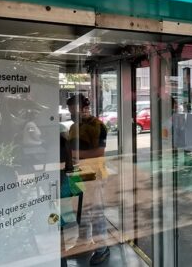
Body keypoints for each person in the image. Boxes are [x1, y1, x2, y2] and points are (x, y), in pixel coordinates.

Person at [67, 94, 110, 265]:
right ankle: (84, 242)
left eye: (74, 110)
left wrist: (75, 154)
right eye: (70, 111)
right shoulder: (73, 127)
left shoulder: (98, 126)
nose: (72, 114)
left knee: (96, 212)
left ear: (85, 108)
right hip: (77, 174)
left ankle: (102, 248)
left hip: (94, 175)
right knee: (81, 212)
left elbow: (99, 152)